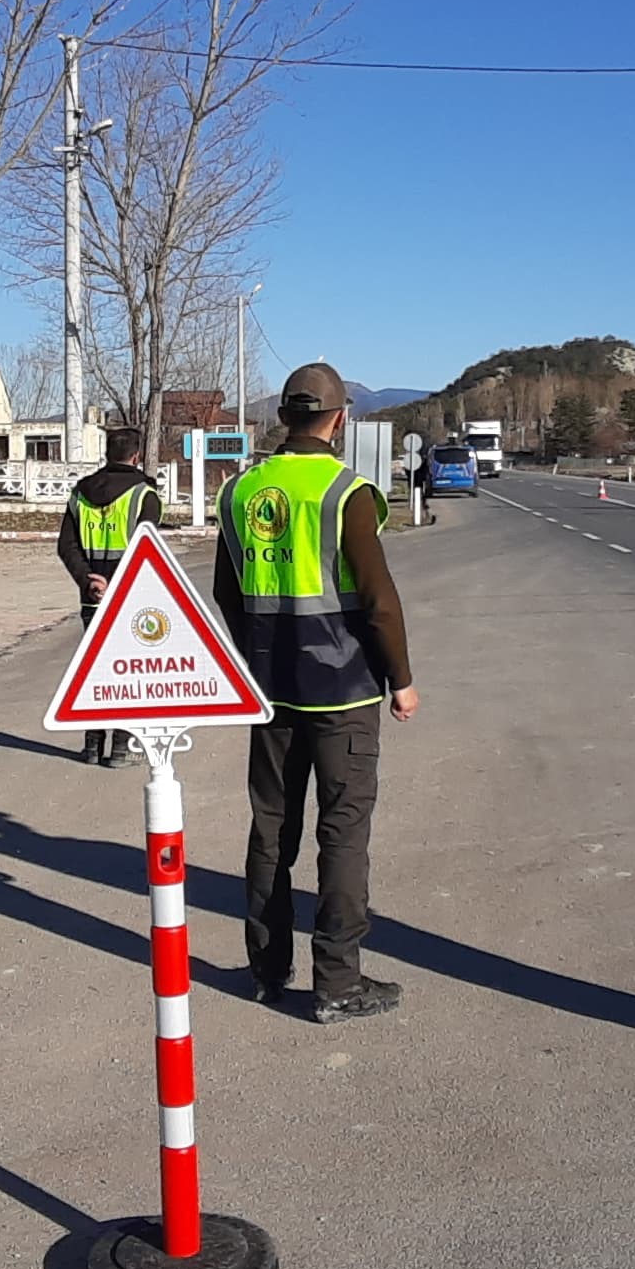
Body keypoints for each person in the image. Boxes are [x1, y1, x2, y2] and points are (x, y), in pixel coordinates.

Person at [216, 362, 420, 1023]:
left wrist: (254, 658)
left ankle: (267, 969)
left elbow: (228, 593)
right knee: (344, 833)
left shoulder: (242, 491)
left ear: (283, 417)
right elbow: (379, 601)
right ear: (340, 418)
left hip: (268, 687)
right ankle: (337, 982)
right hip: (342, 688)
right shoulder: (346, 492)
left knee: (272, 828)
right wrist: (403, 680)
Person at [57, 427, 163, 767]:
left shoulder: (80, 494)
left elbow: (66, 546)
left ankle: (91, 746)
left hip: (93, 598)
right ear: (136, 456)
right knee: (129, 672)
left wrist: (88, 580)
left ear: (107, 454)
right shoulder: (144, 496)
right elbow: (147, 553)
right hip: (130, 600)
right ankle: (121, 747)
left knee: (98, 670)